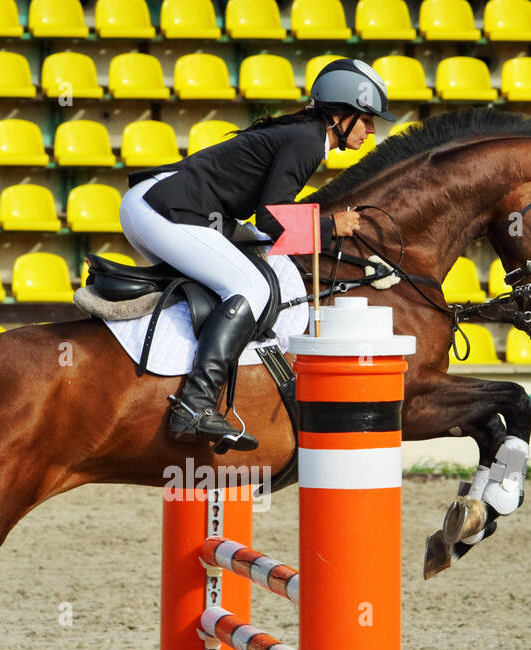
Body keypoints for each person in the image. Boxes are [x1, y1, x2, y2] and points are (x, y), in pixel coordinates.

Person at [119, 58, 392, 451]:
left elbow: (266, 222)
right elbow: (270, 217)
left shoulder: (304, 133)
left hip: (162, 204)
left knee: (252, 268)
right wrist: (332, 227)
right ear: (340, 115)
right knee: (251, 287)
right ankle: (194, 404)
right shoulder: (307, 141)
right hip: (164, 208)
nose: (371, 129)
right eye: (367, 119)